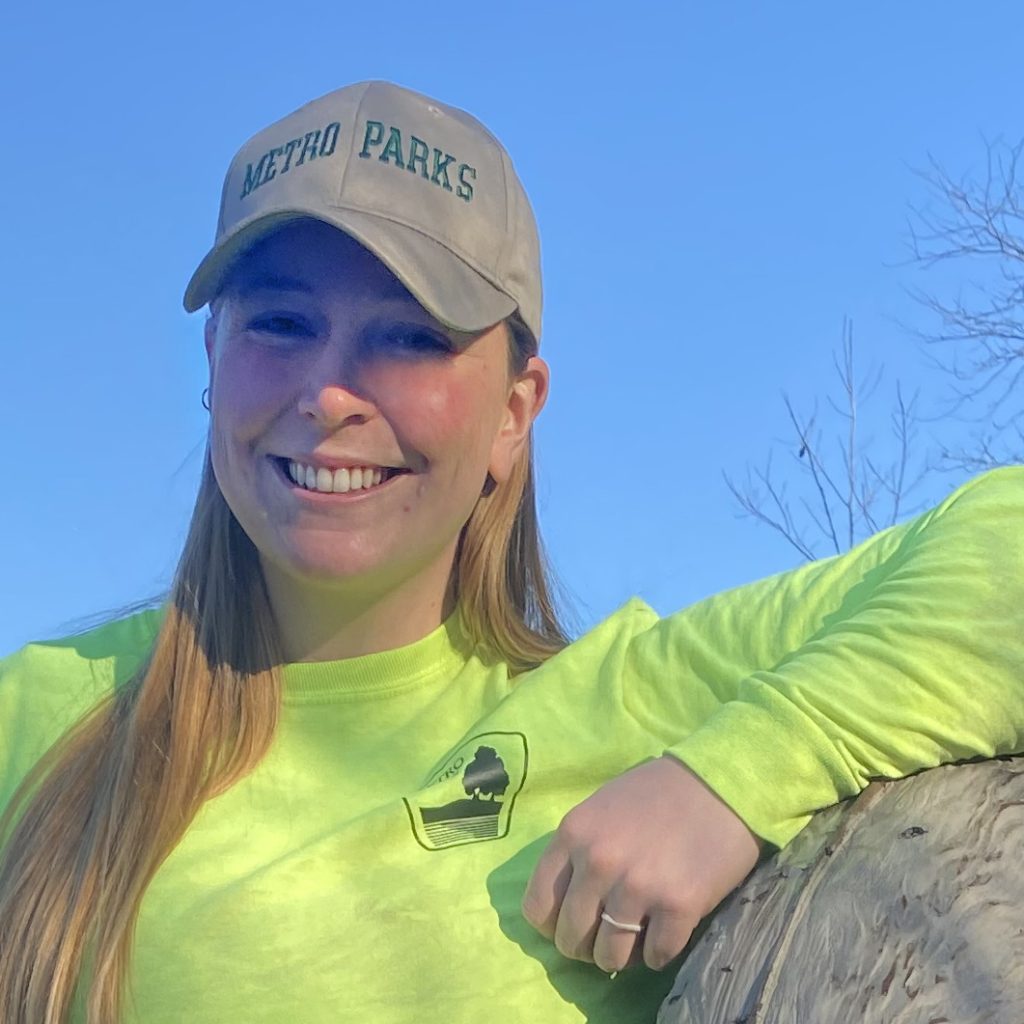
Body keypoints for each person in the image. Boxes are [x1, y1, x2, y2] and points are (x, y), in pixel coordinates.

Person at [0, 80, 1021, 1024]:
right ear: (214, 359)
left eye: (409, 336)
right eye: (279, 322)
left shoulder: (634, 702)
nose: (329, 392)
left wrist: (730, 776)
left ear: (513, 413)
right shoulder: (39, 718)